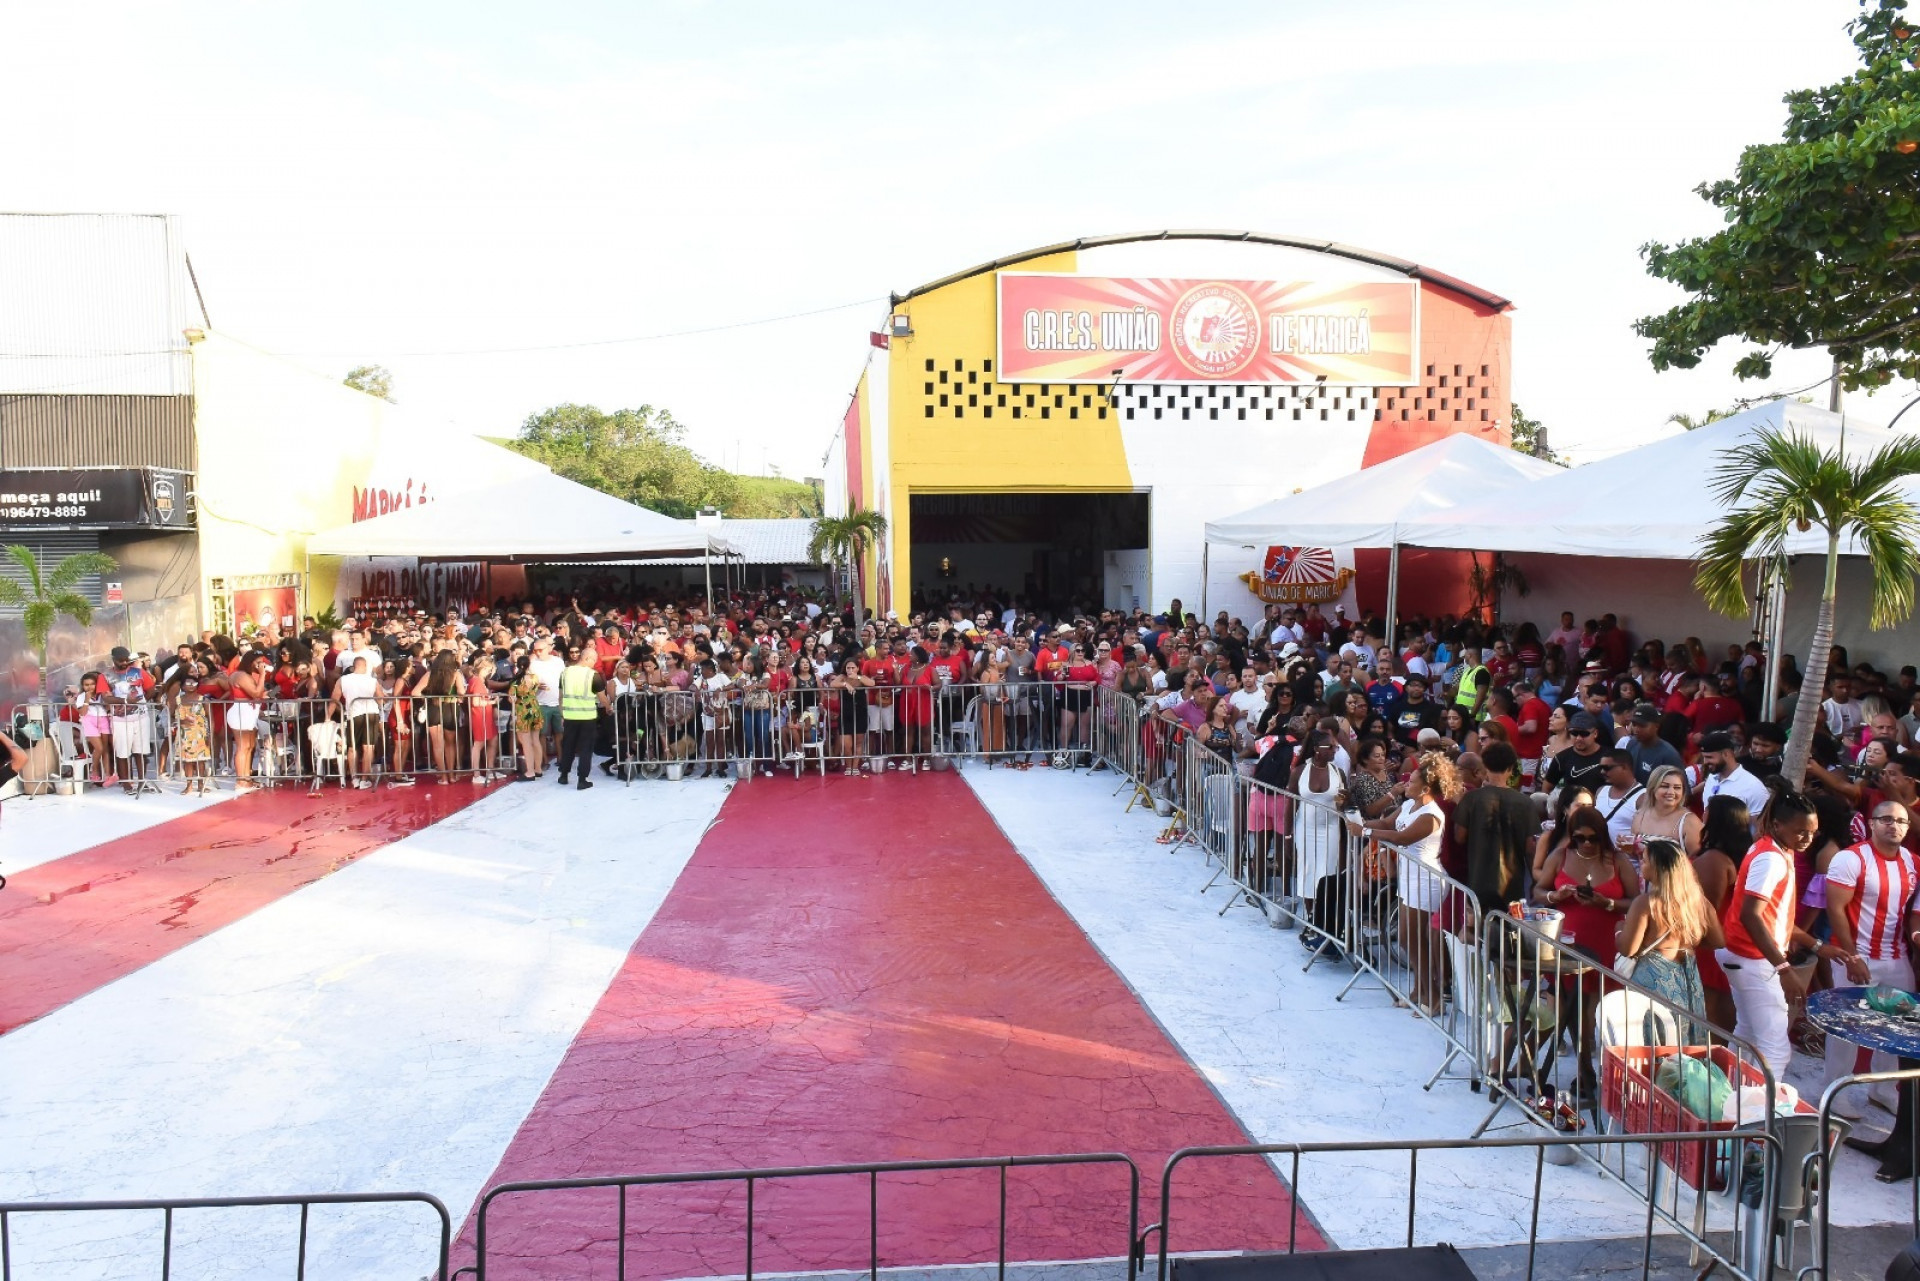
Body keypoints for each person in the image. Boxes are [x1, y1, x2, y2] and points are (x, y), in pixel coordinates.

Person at [1822, 801, 1919, 1118]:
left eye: (1901, 821)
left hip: (1896, 957)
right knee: (1846, 1026)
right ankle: (1835, 1093)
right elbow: (1835, 909)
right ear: (1872, 823)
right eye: (1886, 819)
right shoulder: (1850, 858)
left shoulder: (1913, 862)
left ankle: (1883, 1090)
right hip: (1856, 955)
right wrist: (1852, 957)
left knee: (1897, 1026)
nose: (1894, 825)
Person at [1715, 790, 1822, 1075]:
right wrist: (1783, 968)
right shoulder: (1771, 859)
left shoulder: (1771, 848)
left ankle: (1733, 1096)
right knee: (1776, 1048)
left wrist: (1817, 946)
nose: (1808, 838)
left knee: (1747, 1033)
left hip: (1743, 955)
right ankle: (1761, 1104)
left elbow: (1773, 916)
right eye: (1801, 831)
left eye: (1812, 832)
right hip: (1753, 959)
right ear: (1777, 825)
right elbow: (1750, 915)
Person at [1349, 751, 1458, 1016]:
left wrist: (1364, 831)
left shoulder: (1431, 815)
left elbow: (1402, 838)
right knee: (1410, 939)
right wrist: (1354, 819)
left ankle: (1433, 997)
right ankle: (1420, 991)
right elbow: (1387, 823)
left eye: (1412, 781)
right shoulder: (1409, 805)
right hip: (1409, 877)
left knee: (1411, 938)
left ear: (1426, 788)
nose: (1406, 783)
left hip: (1426, 880)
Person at [1616, 837, 1725, 1040]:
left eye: (1645, 860)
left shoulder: (1646, 903)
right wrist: (1688, 940)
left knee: (1654, 1040)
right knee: (1684, 1040)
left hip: (1654, 982)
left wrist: (1619, 930)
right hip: (1687, 979)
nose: (1641, 864)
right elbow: (1718, 941)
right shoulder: (1699, 902)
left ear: (1658, 868)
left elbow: (1628, 949)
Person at [1452, 741, 1537, 915]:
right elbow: (1530, 848)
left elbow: (1459, 837)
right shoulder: (1526, 803)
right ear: (1511, 768)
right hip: (1512, 884)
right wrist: (1535, 881)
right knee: (1510, 928)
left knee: (1477, 927)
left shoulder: (1471, 799)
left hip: (1478, 880)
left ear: (1485, 766)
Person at [555, 644, 606, 789]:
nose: (594, 664)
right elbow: (602, 698)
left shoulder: (565, 673)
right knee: (585, 749)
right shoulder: (592, 675)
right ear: (587, 658)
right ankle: (582, 779)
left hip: (569, 716)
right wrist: (609, 707)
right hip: (587, 718)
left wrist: (562, 714)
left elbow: (560, 696)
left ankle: (563, 775)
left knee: (568, 746)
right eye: (594, 660)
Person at [1695, 730, 1771, 821]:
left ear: (1726, 754)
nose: (1705, 762)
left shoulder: (1754, 787)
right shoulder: (1711, 778)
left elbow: (1759, 827)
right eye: (1704, 757)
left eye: (1709, 757)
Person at [1631, 765, 1703, 858]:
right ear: (1653, 788)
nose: (1671, 792)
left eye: (1677, 787)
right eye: (1665, 786)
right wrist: (1627, 847)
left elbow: (1699, 861)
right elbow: (1635, 855)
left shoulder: (1689, 822)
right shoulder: (1640, 815)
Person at [333, 655, 384, 788]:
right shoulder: (372, 680)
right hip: (371, 713)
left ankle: (354, 778)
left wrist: (328, 717)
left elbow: (334, 699)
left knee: (352, 747)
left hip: (353, 714)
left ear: (353, 666)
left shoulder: (343, 680)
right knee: (368, 747)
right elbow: (381, 699)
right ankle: (364, 779)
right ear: (365, 666)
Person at [1544, 711, 1607, 794]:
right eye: (1574, 733)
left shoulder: (1609, 757)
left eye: (1584, 734)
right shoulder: (1562, 758)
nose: (1579, 738)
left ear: (1595, 733)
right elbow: (1546, 788)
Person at [1622, 703, 1683, 782]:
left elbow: (1680, 785)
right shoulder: (1632, 743)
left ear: (1656, 726)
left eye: (1642, 725)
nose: (1636, 729)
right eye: (1634, 725)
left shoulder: (1669, 754)